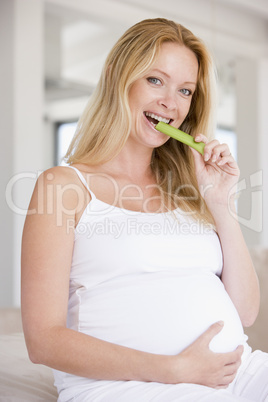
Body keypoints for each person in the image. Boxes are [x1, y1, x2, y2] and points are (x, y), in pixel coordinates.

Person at [21, 18, 268, 401]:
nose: (171, 103)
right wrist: (175, 370)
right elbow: (43, 341)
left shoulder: (191, 190)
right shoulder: (64, 186)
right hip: (130, 385)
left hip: (239, 372)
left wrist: (221, 203)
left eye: (185, 90)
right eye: (156, 80)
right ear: (118, 76)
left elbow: (246, 313)